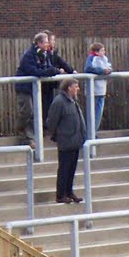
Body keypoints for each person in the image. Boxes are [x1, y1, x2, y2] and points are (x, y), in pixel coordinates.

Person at [46, 76, 88, 204]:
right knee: (64, 169)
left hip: (75, 141)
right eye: (76, 86)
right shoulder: (59, 102)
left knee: (72, 168)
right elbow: (51, 121)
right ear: (69, 88)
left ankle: (69, 192)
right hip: (65, 141)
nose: (78, 89)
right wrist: (57, 136)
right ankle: (61, 194)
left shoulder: (73, 101)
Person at [14, 30, 50, 142]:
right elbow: (34, 71)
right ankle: (20, 129)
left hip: (33, 88)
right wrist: (51, 71)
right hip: (24, 88)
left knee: (34, 112)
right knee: (27, 110)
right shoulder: (29, 55)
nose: (47, 44)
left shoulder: (42, 54)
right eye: (45, 42)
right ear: (39, 43)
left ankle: (30, 137)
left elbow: (44, 68)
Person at [82, 42, 111, 131]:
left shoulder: (104, 59)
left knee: (98, 113)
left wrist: (108, 71)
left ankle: (93, 131)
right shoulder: (91, 58)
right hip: (93, 91)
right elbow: (88, 68)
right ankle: (89, 132)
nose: (104, 52)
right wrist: (102, 71)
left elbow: (110, 67)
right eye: (102, 50)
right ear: (96, 52)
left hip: (101, 90)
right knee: (92, 113)